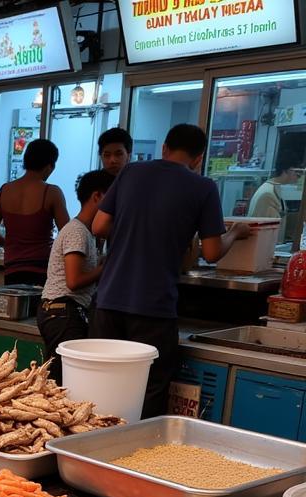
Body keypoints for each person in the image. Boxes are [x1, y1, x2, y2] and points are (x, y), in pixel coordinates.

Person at [91, 123, 253, 418]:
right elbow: (212, 251)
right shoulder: (203, 188)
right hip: (154, 307)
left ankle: (89, 450)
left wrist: (133, 228)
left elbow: (99, 226)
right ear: (198, 158)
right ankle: (134, 455)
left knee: (103, 382)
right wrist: (236, 232)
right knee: (149, 388)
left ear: (164, 148)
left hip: (109, 300)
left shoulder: (131, 172)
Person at [37, 170, 114, 381]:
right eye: (113, 198)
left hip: (61, 312)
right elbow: (73, 281)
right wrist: (105, 267)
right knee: (64, 382)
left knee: (60, 378)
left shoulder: (86, 232)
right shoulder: (77, 232)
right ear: (97, 197)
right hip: (63, 312)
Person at [0, 138, 69, 285]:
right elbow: (67, 233)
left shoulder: (5, 190)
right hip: (42, 268)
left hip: (12, 267)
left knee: (15, 307)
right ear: (50, 166)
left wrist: (10, 245)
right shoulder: (51, 192)